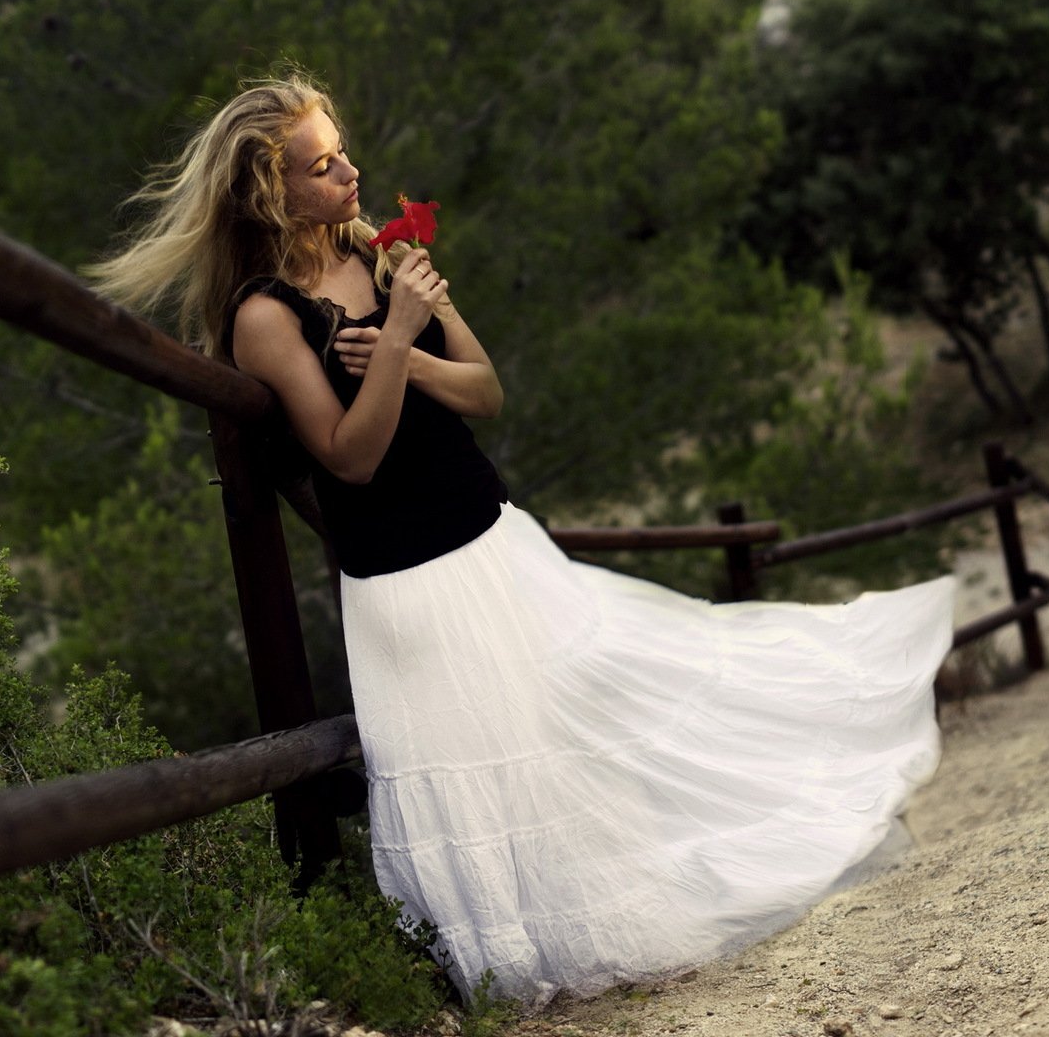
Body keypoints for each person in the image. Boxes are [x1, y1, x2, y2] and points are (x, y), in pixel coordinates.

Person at [91, 72, 956, 1008]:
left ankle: (618, 926)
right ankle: (508, 973)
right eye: (323, 163)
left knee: (570, 728)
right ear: (271, 188)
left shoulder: (374, 255)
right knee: (473, 766)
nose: (350, 170)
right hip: (406, 585)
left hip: (492, 542)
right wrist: (395, 345)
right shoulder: (265, 316)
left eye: (341, 150)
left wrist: (409, 344)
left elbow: (484, 391)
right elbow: (351, 458)